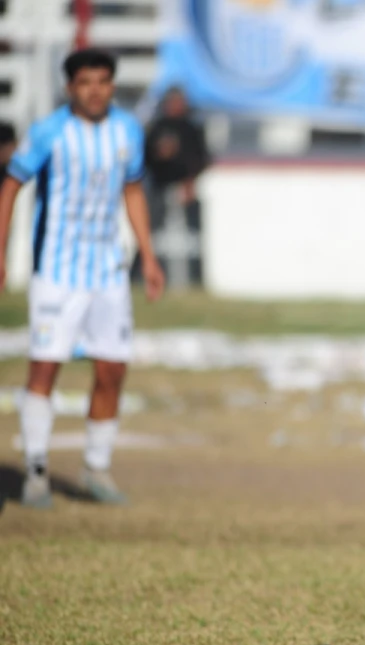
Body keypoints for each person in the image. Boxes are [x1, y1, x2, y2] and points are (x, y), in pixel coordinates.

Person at [0, 49, 165, 508]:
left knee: (112, 369)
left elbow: (132, 189)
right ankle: (35, 472)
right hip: (56, 272)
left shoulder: (127, 129)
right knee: (45, 367)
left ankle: (96, 468)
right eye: (86, 82)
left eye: (104, 81)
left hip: (108, 271)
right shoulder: (50, 132)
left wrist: (148, 256)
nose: (96, 90)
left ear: (113, 84)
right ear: (70, 87)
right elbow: (11, 185)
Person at [141, 86, 209, 285]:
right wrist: (159, 154)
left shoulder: (191, 128)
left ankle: (193, 279)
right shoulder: (157, 127)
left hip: (185, 189)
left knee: (191, 240)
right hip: (158, 188)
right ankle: (147, 275)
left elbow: (201, 158)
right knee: (153, 235)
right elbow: (145, 157)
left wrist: (190, 180)